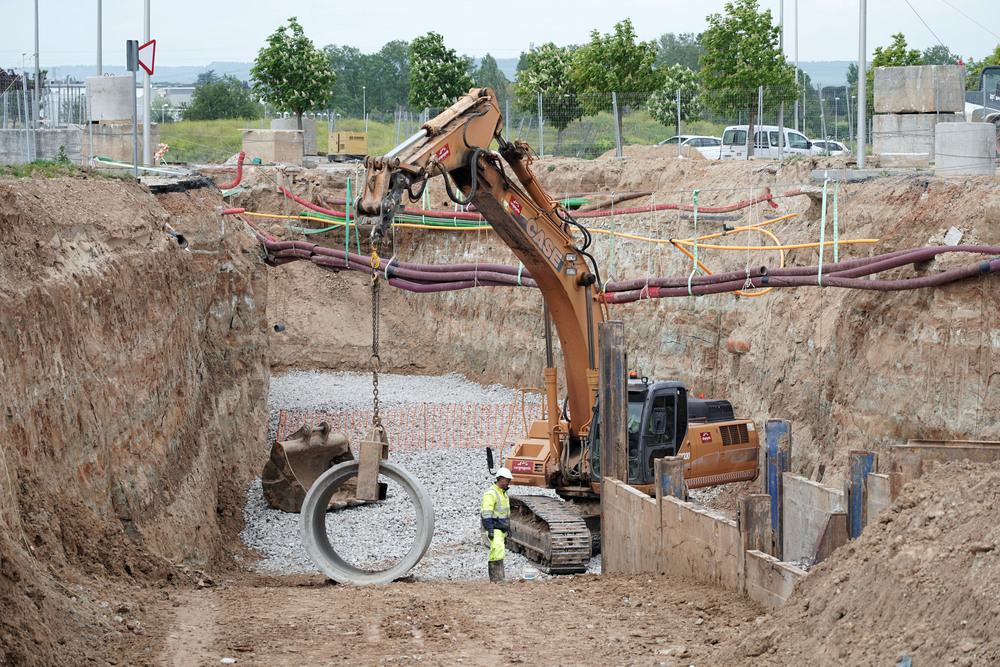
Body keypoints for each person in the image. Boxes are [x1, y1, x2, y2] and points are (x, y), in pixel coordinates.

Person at [480, 467, 512, 583]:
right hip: (495, 527)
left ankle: (494, 578)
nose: (509, 482)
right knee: (499, 550)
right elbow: (486, 513)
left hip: (501, 527)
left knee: (494, 552)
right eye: (507, 480)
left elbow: (505, 513)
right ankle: (499, 578)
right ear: (501, 479)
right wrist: (490, 529)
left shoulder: (503, 493)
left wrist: (508, 528)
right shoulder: (491, 493)